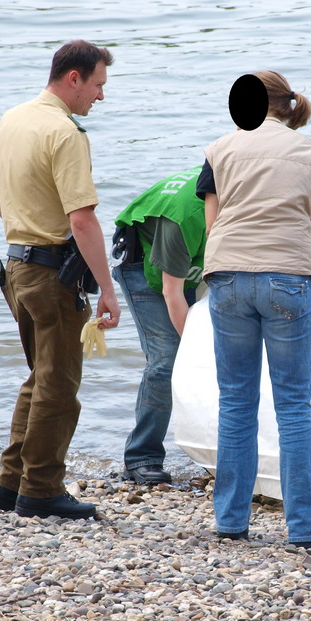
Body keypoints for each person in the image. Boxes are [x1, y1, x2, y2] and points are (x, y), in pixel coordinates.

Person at [196, 70, 311, 550]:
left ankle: (230, 521)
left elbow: (213, 224)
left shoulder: (219, 150)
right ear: (287, 105)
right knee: (293, 406)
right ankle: (306, 527)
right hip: (289, 278)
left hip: (227, 277)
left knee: (236, 402)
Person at [0, 40, 121, 520]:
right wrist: (107, 287)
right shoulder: (65, 132)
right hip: (50, 274)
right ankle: (40, 490)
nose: (100, 97)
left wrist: (27, 229)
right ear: (74, 78)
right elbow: (82, 219)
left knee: (39, 376)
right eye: (98, 85)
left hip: (17, 267)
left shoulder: (13, 118)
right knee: (58, 386)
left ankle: (9, 483)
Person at [112, 167, 207, 485]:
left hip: (195, 264)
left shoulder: (248, 199)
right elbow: (171, 290)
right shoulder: (185, 214)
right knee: (167, 360)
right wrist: (197, 352)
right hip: (147, 268)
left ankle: (222, 452)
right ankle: (142, 457)